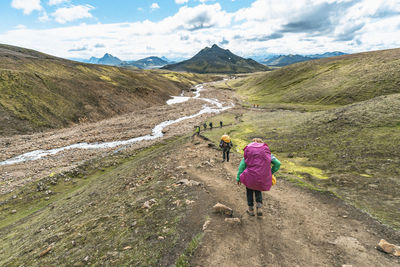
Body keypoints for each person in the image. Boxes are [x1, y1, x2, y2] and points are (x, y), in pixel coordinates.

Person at [236, 138, 280, 216]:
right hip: (261, 178)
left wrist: (238, 178)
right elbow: (277, 163)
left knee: (249, 192)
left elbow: (242, 166)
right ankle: (259, 207)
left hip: (249, 177)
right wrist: (269, 173)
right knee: (258, 190)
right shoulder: (267, 154)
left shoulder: (249, 152)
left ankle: (251, 210)